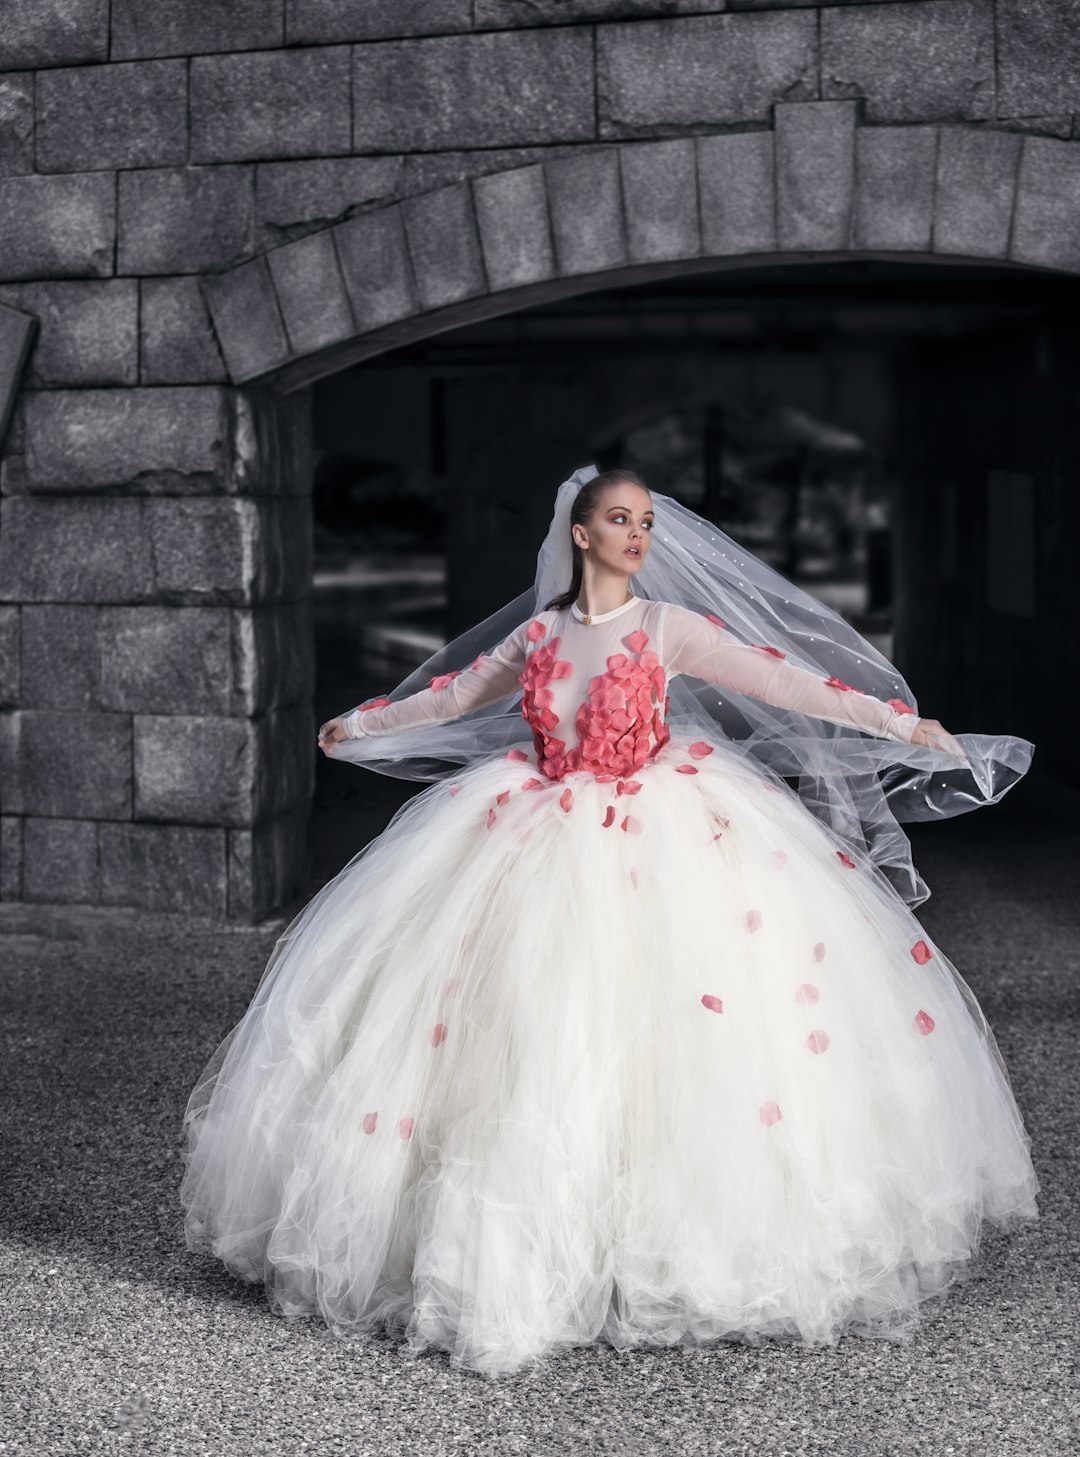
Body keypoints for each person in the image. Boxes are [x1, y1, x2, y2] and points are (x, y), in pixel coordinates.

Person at [180, 464, 1039, 1379]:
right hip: (538, 830)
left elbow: (787, 682)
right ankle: (516, 1248)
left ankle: (669, 1247)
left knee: (678, 1037)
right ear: (580, 534)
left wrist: (895, 723)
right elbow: (455, 695)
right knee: (523, 1041)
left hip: (661, 830)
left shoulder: (667, 628)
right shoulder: (539, 636)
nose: (639, 535)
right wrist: (366, 721)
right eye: (620, 520)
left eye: (646, 522)